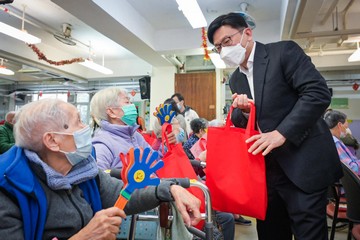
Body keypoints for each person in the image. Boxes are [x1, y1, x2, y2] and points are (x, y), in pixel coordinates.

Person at [207, 12, 343, 240]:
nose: (223, 51)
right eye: (218, 47)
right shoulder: (235, 79)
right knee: (270, 232)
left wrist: (282, 133)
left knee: (308, 234)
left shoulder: (283, 53)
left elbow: (316, 93)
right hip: (265, 173)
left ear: (247, 33)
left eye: (227, 42)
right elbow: (248, 122)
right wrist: (243, 111)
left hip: (303, 165)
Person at [0, 99, 201, 240]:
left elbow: (123, 192)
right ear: (52, 140)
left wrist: (169, 189)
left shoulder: (82, 169)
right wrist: (84, 237)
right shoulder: (8, 189)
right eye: (77, 122)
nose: (86, 128)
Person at [90, 87, 177, 170]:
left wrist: (165, 146)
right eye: (127, 102)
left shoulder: (135, 135)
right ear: (111, 112)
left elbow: (153, 160)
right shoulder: (103, 144)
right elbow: (100, 180)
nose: (132, 106)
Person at [324, 109, 360, 175]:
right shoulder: (335, 143)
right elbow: (352, 169)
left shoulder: (330, 140)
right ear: (340, 125)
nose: (346, 131)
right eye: (346, 127)